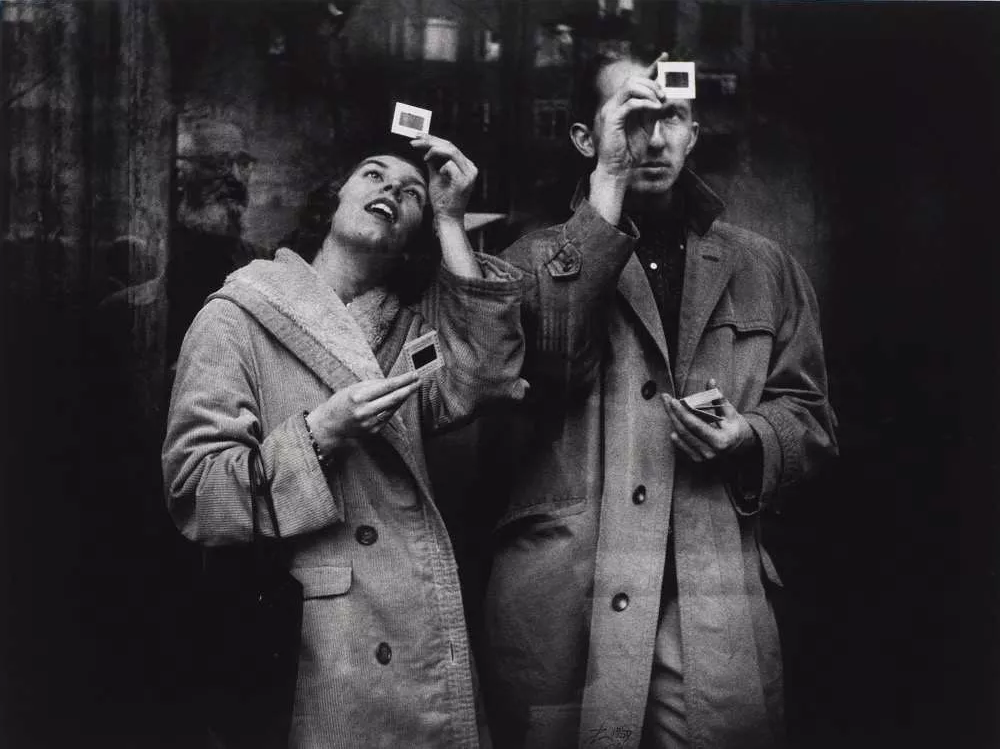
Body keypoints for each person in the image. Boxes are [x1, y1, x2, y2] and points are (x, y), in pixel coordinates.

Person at [481, 52, 838, 749]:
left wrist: (750, 435)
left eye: (668, 117)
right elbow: (554, 367)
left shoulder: (764, 265)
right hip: (569, 600)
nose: (652, 138)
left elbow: (812, 418)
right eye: (631, 118)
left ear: (693, 133)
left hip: (710, 601)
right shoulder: (529, 259)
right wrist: (606, 191)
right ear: (586, 137)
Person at [162, 134, 525, 748]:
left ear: (415, 234)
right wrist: (318, 434)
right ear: (332, 200)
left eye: (413, 193)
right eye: (373, 174)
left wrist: (452, 220)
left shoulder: (409, 334)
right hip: (312, 637)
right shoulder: (236, 314)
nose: (392, 189)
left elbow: (486, 376)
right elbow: (197, 492)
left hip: (412, 617)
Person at [167, 118, 263, 369]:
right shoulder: (160, 253)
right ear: (181, 176)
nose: (235, 177)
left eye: (243, 164)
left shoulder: (261, 263)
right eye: (216, 164)